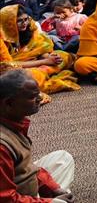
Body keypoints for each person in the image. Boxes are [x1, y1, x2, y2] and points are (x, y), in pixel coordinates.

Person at [0, 69, 75, 202]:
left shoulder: (13, 122)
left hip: (21, 190)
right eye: (32, 97)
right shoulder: (2, 146)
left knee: (63, 158)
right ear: (9, 103)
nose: (40, 98)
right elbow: (5, 198)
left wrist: (52, 187)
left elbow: (27, 167)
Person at [0, 5, 80, 95]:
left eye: (26, 19)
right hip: (13, 71)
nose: (24, 23)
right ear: (8, 22)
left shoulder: (31, 28)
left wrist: (49, 57)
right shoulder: (1, 38)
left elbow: (40, 49)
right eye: (19, 21)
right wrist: (45, 61)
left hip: (37, 62)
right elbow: (7, 65)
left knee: (63, 55)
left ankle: (46, 72)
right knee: (28, 76)